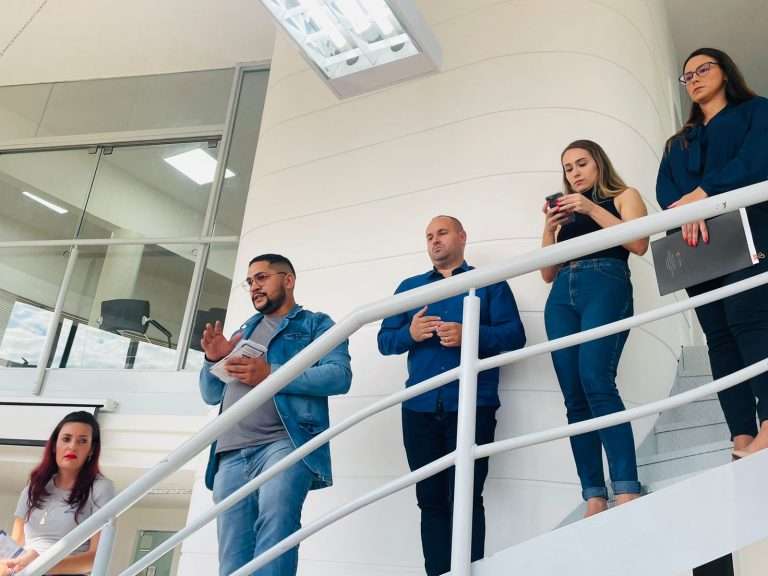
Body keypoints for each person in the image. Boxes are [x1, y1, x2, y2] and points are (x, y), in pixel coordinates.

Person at [377, 215, 526, 576]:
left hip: (474, 404)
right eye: (429, 235)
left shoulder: (489, 282)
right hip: (419, 408)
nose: (435, 240)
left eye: (442, 232)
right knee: (430, 501)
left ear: (462, 237)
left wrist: (470, 333)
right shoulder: (409, 287)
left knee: (467, 497)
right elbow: (384, 341)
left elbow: (515, 336)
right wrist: (410, 333)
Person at [199, 253, 352, 576]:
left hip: (283, 442)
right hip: (230, 452)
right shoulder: (243, 331)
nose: (254, 286)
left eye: (262, 278)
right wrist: (212, 360)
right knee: (233, 559)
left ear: (288, 280)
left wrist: (270, 374)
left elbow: (339, 376)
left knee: (275, 534)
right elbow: (211, 394)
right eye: (250, 281)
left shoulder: (315, 324)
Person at [656, 47, 768, 460]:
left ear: (726, 70)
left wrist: (704, 195)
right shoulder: (677, 143)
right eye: (687, 76)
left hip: (749, 228)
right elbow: (667, 190)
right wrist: (686, 210)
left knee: (748, 316)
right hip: (696, 245)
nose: (695, 78)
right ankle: (741, 434)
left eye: (703, 69)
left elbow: (756, 160)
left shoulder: (756, 111)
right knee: (718, 337)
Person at [541, 140, 648, 517]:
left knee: (595, 379)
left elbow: (638, 243)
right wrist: (549, 228)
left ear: (599, 162)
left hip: (605, 280)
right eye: (568, 168)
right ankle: (594, 496)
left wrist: (589, 207)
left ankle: (627, 489)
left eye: (581, 163)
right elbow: (546, 272)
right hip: (561, 293)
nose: (575, 173)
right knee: (574, 395)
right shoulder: (566, 214)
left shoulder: (624, 195)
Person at [0, 411, 115, 576]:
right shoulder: (32, 489)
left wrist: (41, 564)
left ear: (91, 450)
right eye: (66, 439)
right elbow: (13, 551)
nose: (72, 446)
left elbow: (96, 557)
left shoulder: (100, 488)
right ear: (54, 445)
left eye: (82, 441)